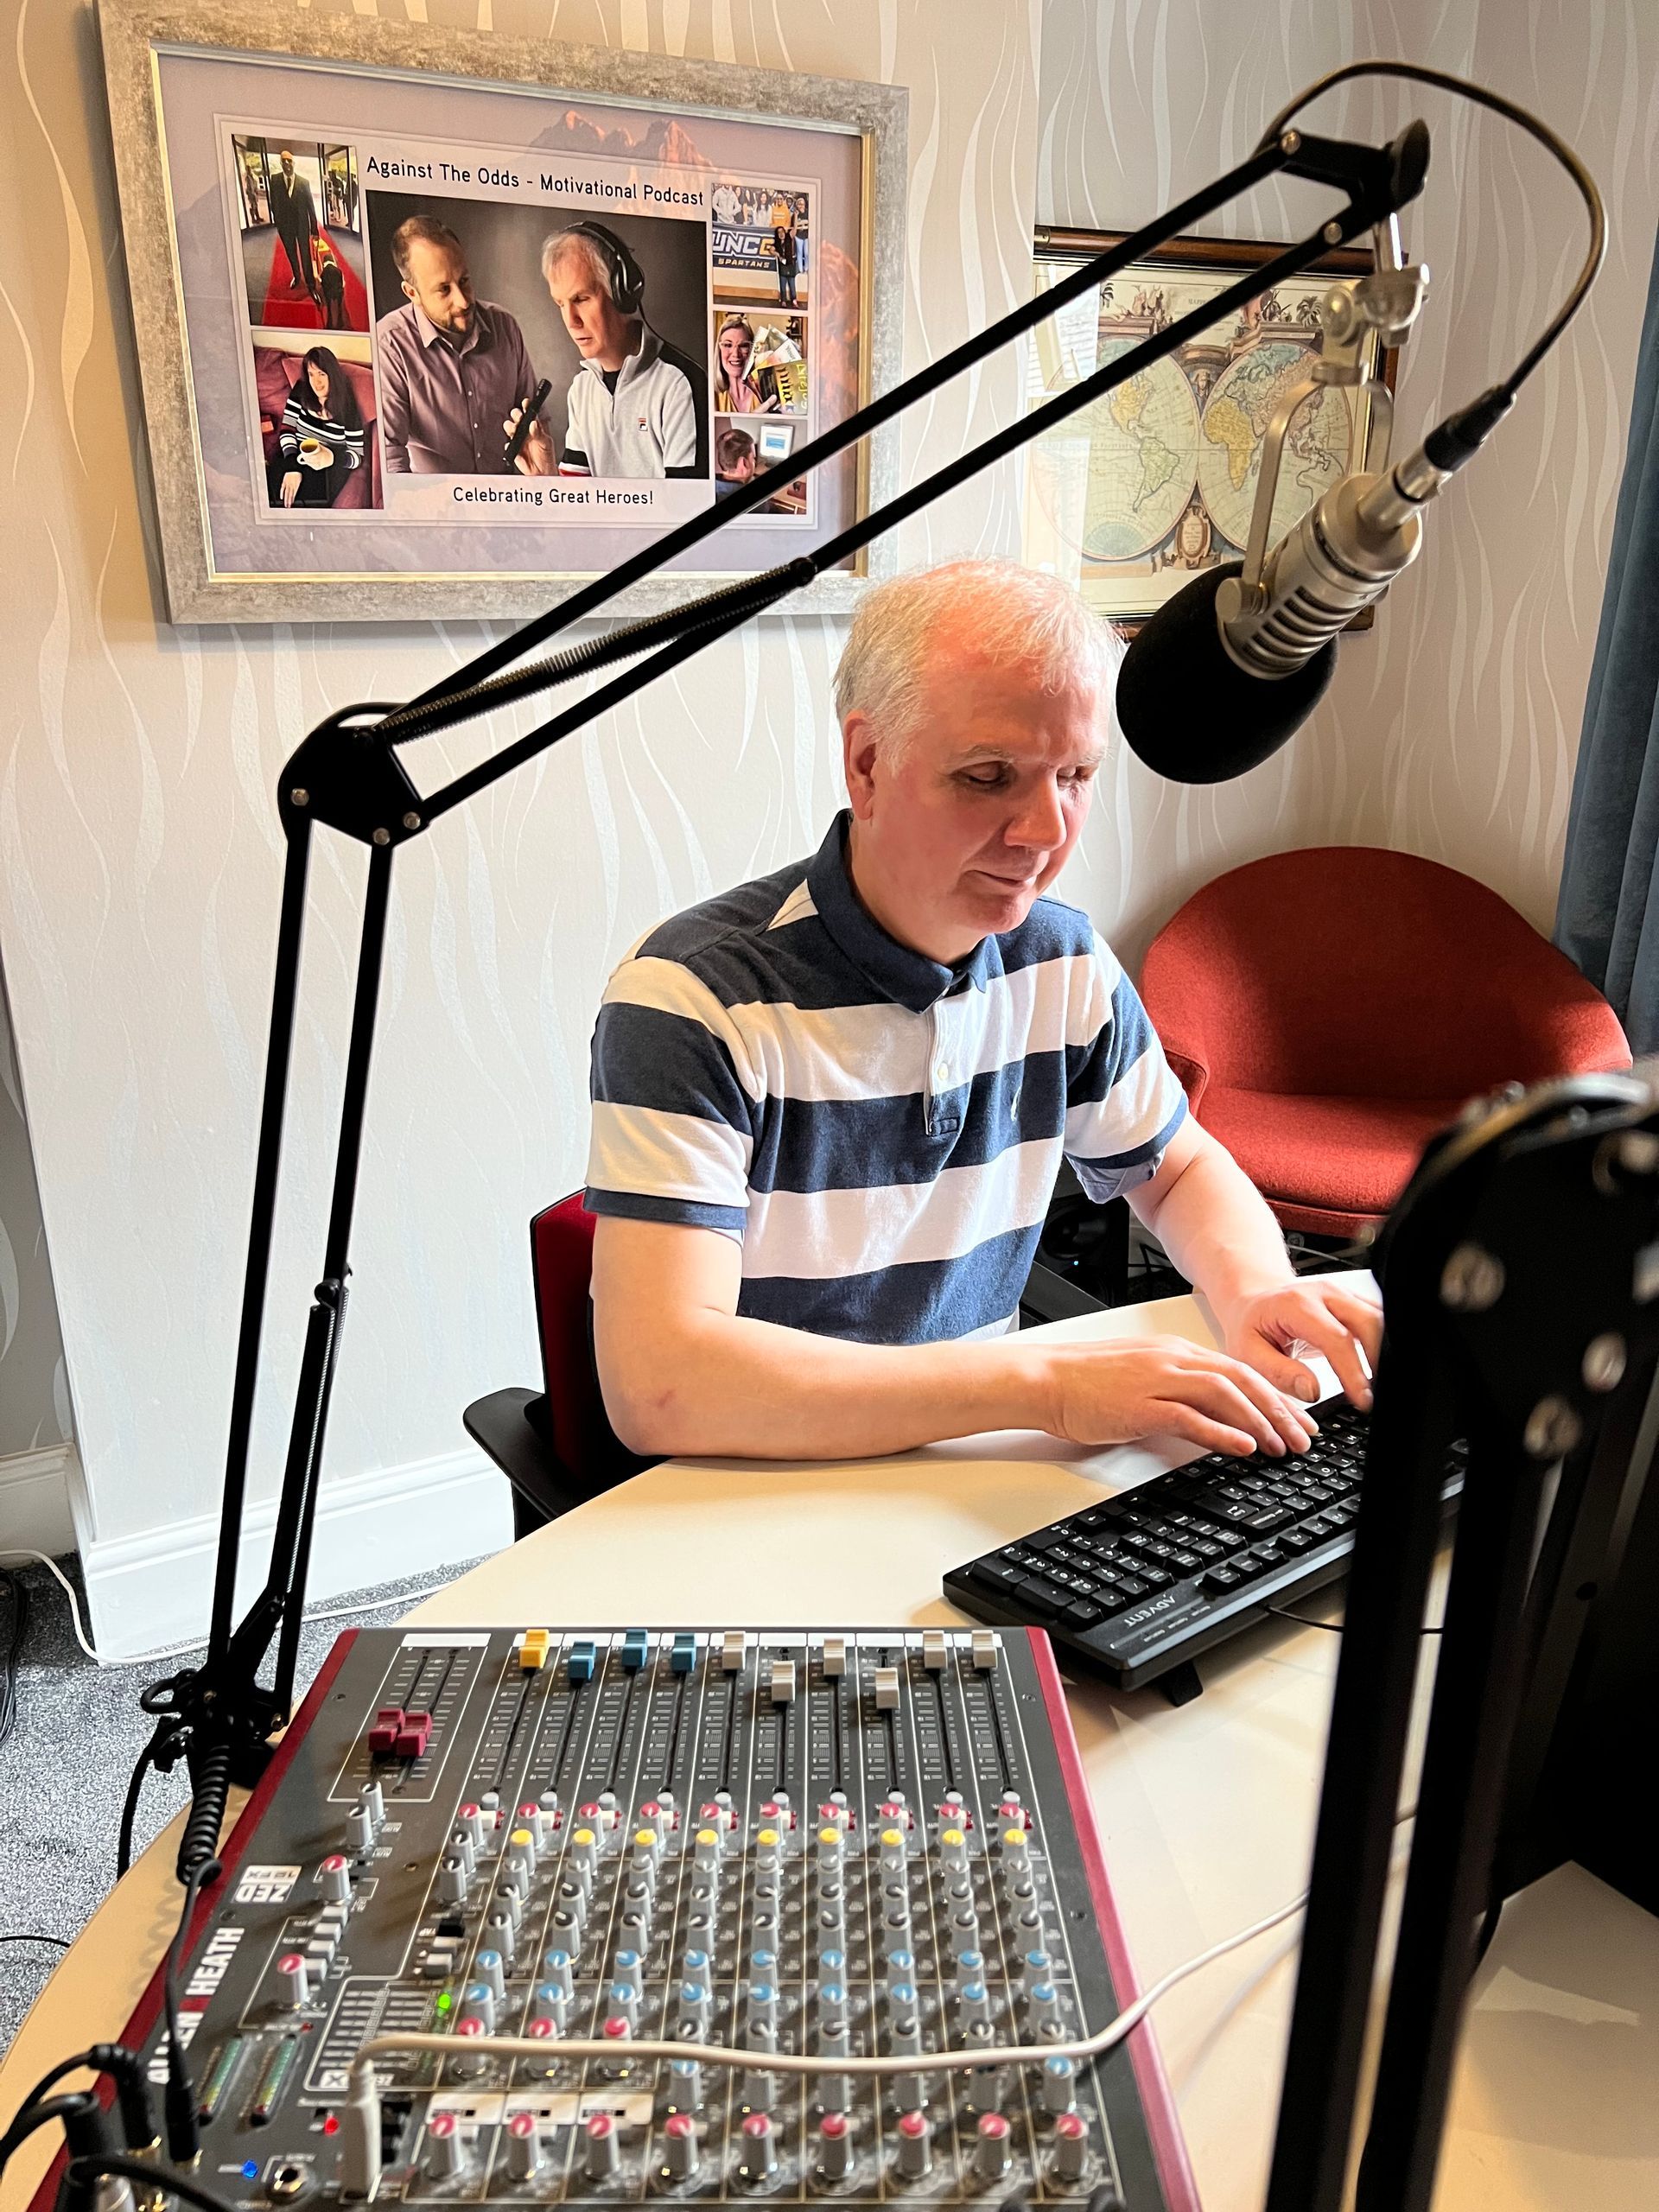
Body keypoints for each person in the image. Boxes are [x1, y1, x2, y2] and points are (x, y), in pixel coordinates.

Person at [586, 560, 1382, 1466]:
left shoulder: (1062, 961)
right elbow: (662, 1385)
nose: (1046, 830)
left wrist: (1257, 1289)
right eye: (989, 776)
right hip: (761, 1479)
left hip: (976, 1467)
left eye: (1074, 775)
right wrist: (1043, 1386)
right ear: (867, 764)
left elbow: (1176, 1169)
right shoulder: (693, 998)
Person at [375, 214, 554, 476]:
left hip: (507, 496)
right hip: (434, 500)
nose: (463, 301)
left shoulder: (505, 326)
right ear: (412, 293)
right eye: (444, 289)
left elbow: (536, 425)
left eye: (464, 281)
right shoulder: (390, 344)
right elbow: (390, 458)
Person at [537, 224, 706, 480]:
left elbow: (687, 503)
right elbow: (578, 497)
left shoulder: (679, 384)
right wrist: (546, 476)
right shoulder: (581, 389)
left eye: (581, 299)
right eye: (560, 304)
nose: (571, 321)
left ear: (622, 292)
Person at [267, 346, 365, 509]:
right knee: (272, 495)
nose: (316, 382)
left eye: (322, 374)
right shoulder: (301, 390)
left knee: (305, 505)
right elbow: (287, 430)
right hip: (295, 454)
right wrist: (292, 466)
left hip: (329, 466)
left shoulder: (348, 406)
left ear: (332, 375)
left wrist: (332, 457)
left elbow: (358, 456)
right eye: (311, 374)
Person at [267, 149, 320, 302]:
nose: (287, 164)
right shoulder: (275, 180)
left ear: (293, 163)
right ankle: (297, 276)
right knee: (291, 253)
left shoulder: (304, 182)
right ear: (281, 163)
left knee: (305, 255)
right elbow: (273, 202)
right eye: (284, 161)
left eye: (289, 161)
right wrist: (278, 222)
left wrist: (314, 229)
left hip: (302, 225)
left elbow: (311, 207)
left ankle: (311, 285)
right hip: (285, 227)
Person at [713, 314, 778, 414]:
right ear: (719, 350)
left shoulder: (769, 392)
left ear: (753, 350)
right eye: (728, 345)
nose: (736, 354)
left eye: (743, 346)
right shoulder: (713, 398)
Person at [713, 422, 758, 499]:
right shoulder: (759, 502)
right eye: (753, 458)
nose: (755, 462)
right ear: (742, 464)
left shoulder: (708, 487)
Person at [771, 214, 799, 308]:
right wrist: (778, 255)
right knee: (782, 284)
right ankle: (783, 301)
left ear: (784, 232)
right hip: (782, 266)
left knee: (792, 284)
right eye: (779, 232)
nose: (781, 234)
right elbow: (771, 250)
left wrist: (796, 216)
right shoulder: (777, 243)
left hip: (790, 264)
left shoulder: (789, 237)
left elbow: (795, 229)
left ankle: (794, 300)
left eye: (782, 231)